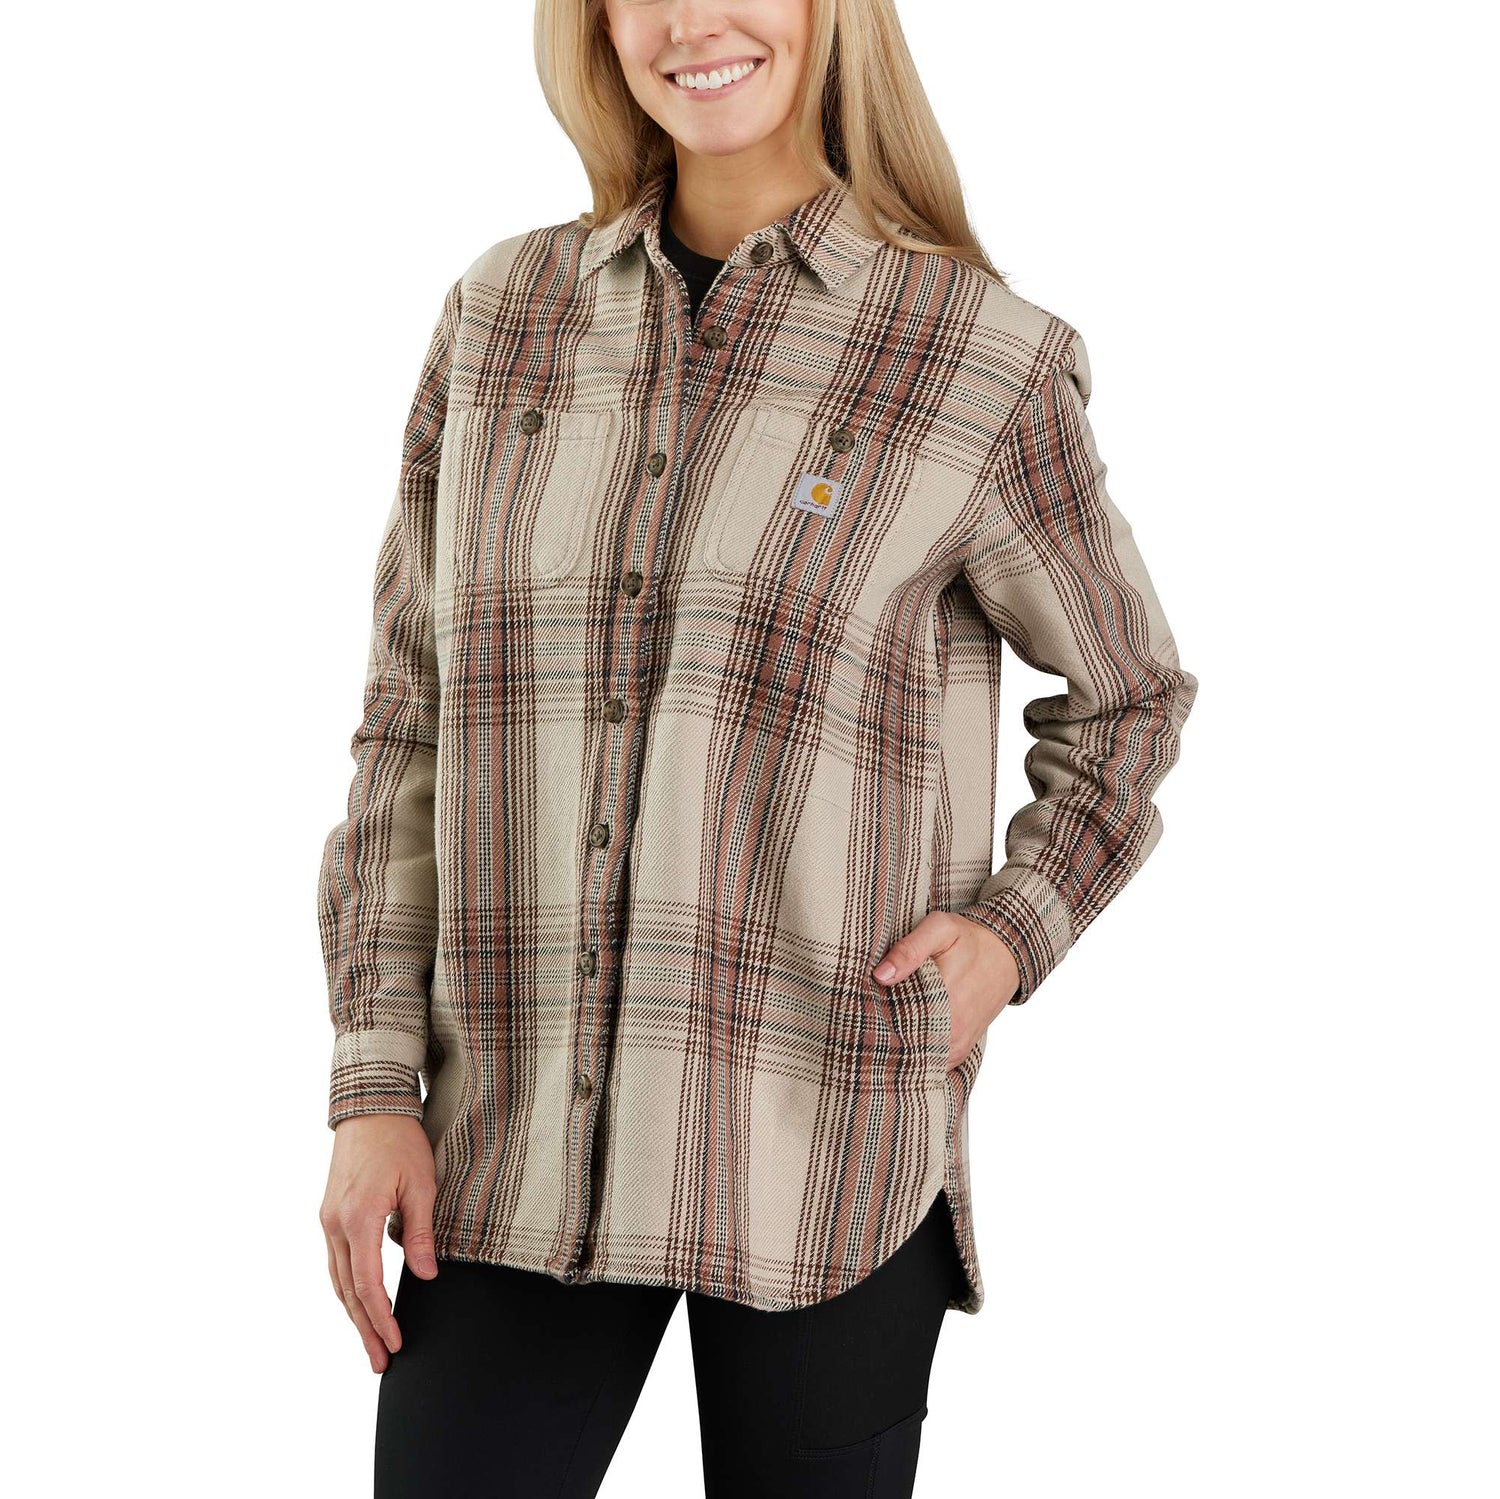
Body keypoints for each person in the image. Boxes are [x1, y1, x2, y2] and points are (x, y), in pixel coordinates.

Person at [316, 1, 1198, 1494]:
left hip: (825, 1142)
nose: (690, 21)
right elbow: (410, 723)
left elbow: (1131, 698)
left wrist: (1013, 932)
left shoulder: (981, 358)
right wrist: (372, 1085)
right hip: (508, 1151)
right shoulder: (502, 320)